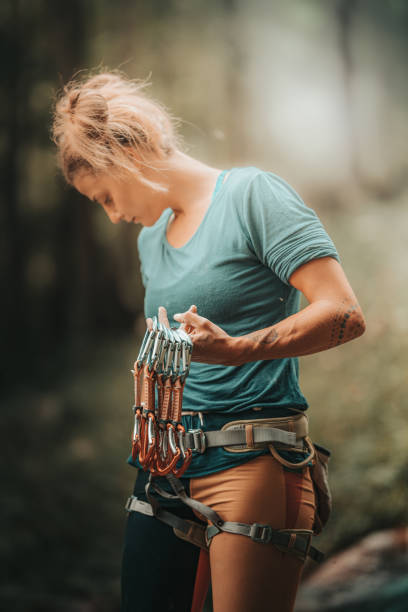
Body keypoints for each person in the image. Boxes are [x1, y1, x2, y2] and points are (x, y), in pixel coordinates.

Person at [51, 69, 366, 612]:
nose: (114, 215)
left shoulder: (251, 195)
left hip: (253, 461)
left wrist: (238, 349)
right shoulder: (151, 241)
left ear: (127, 159)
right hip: (163, 470)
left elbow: (344, 313)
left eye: (105, 196)